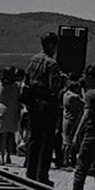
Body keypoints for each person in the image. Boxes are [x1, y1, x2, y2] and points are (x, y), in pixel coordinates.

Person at [22, 33, 63, 182]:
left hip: (33, 102)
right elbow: (54, 87)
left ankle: (30, 171)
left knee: (34, 137)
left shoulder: (33, 59)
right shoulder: (51, 63)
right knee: (47, 140)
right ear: (52, 45)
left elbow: (26, 80)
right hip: (47, 103)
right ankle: (42, 174)